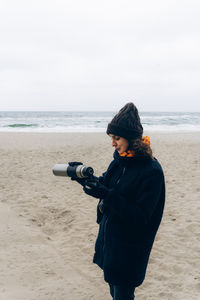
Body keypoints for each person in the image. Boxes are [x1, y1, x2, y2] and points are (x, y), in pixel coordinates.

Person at [70, 103, 165, 300]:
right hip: (111, 242)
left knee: (122, 294)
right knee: (114, 291)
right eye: (111, 138)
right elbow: (105, 185)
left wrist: (107, 194)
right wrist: (84, 179)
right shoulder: (120, 160)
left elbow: (141, 216)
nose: (113, 143)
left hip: (130, 249)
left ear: (131, 138)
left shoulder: (151, 171)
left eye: (116, 138)